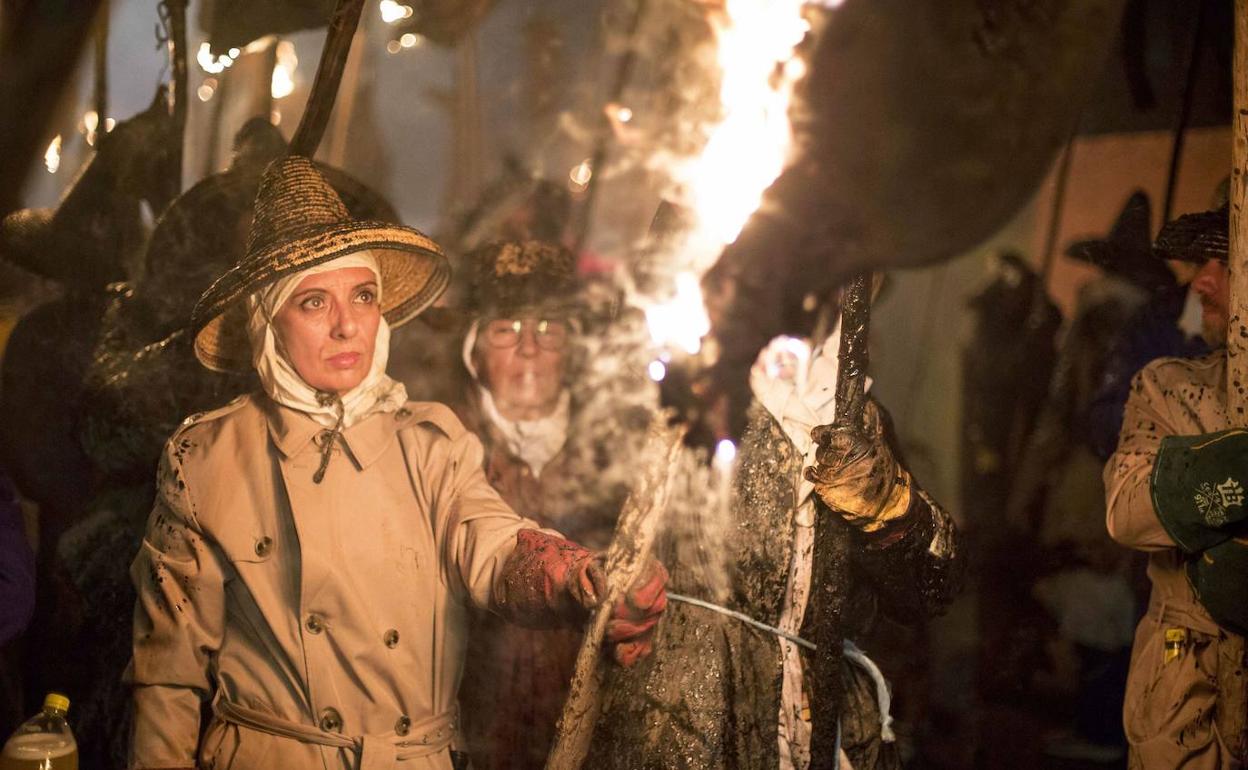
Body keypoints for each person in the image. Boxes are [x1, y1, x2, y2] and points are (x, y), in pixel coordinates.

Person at [126, 156, 667, 770]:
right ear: (268, 323)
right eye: (312, 303)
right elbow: (168, 676)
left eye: (362, 296)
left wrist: (577, 577)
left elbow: (490, 544)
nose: (345, 326)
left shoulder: (430, 441)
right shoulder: (207, 457)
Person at [590, 296, 964, 770]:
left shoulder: (857, 416)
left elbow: (930, 592)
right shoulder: (685, 381)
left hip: (822, 724)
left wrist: (890, 507)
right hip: (682, 711)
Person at [452, 240, 623, 770]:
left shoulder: (620, 456)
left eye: (549, 331)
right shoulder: (437, 447)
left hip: (591, 738)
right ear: (475, 351)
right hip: (467, 739)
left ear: (573, 351)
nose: (529, 348)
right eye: (507, 329)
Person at [1105, 204, 1248, 768]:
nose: (1202, 281)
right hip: (1188, 702)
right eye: (1201, 261)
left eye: (1227, 261)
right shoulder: (1171, 387)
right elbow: (1127, 512)